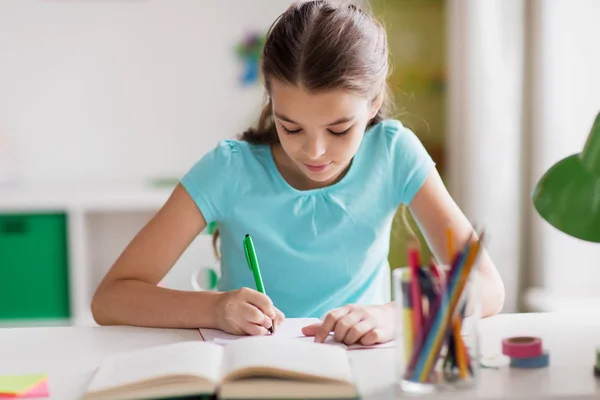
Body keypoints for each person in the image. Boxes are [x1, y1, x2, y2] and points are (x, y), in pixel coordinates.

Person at [91, 0, 504, 346]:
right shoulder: (228, 168)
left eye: (340, 129)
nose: (315, 151)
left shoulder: (394, 153)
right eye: (290, 127)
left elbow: (486, 287)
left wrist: (396, 316)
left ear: (374, 102)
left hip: (361, 369)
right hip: (252, 369)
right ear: (271, 100)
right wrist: (215, 308)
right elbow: (111, 298)